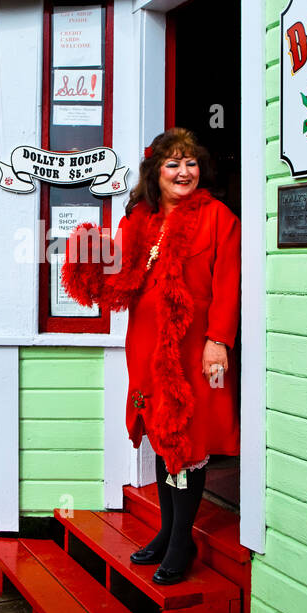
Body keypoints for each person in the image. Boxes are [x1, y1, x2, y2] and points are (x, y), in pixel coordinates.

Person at [63, 128, 241, 585]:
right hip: (145, 346)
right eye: (173, 164)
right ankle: (168, 531)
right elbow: (118, 281)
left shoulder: (219, 218)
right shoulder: (137, 220)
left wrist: (218, 340)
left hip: (193, 350)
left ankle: (182, 539)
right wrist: (83, 257)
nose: (184, 172)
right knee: (163, 438)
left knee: (188, 441)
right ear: (155, 173)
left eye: (191, 163)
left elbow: (228, 283)